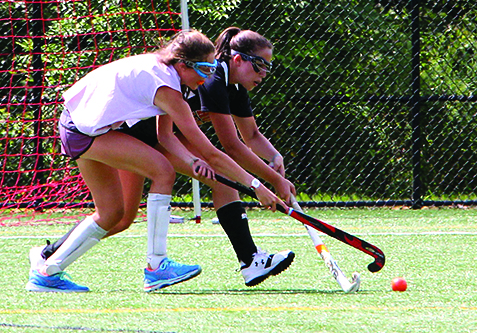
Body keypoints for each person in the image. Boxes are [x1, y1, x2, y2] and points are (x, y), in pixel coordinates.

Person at [26, 29, 285, 293]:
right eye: (205, 69)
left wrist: (190, 159)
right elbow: (213, 152)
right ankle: (156, 267)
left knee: (114, 214)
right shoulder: (167, 87)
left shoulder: (171, 78)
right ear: (184, 64)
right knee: (162, 171)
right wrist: (258, 187)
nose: (208, 78)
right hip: (83, 130)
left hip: (84, 127)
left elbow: (166, 136)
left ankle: (47, 270)